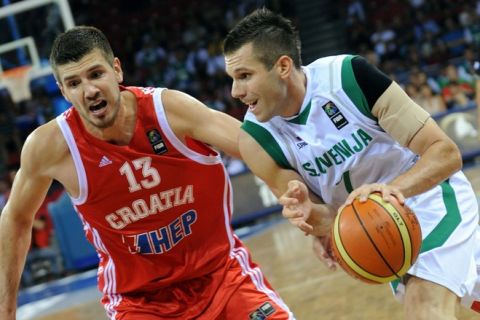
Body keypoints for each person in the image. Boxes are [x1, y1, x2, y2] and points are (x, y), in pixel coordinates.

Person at [0, 26, 294, 320]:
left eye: (96, 74)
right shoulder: (51, 147)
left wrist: (305, 204)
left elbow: (258, 148)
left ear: (117, 70)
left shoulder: (171, 111)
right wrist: (6, 309)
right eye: (74, 83)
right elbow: (15, 219)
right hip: (139, 303)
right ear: (62, 90)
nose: (89, 90)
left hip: (222, 279)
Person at [223, 8, 480, 319]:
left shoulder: (349, 77)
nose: (236, 92)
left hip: (431, 200)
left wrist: (388, 192)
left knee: (425, 308)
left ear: (283, 66)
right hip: (382, 228)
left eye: (245, 76)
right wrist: (312, 217)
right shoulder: (255, 140)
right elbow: (324, 219)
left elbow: (445, 153)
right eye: (233, 79)